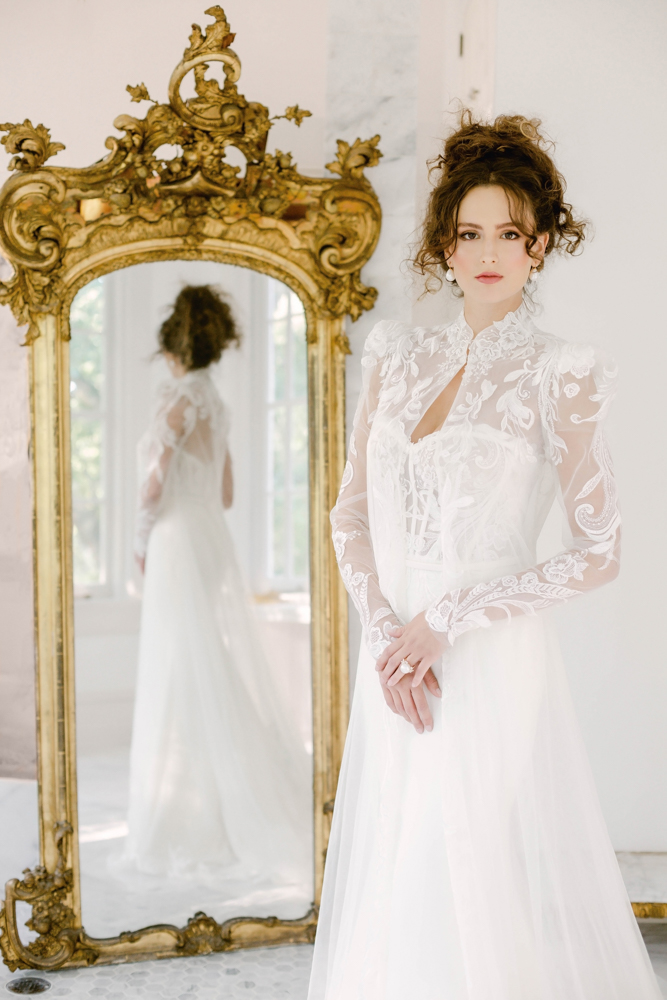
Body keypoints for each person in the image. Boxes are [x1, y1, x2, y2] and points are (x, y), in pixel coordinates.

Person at [308, 115, 661, 999]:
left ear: (539, 244)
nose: (489, 251)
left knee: (455, 855)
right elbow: (347, 513)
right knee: (395, 863)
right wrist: (389, 630)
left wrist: (445, 620)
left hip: (486, 656)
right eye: (470, 233)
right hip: (395, 658)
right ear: (443, 245)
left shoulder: (559, 371)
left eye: (510, 232)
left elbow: (600, 551)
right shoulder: (394, 355)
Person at [124, 284, 311, 887]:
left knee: (179, 665)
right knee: (201, 662)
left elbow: (154, 483)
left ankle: (186, 812)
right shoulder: (217, 404)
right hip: (208, 536)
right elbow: (226, 493)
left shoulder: (178, 399)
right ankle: (216, 792)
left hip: (177, 537)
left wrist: (139, 539)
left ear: (171, 346)